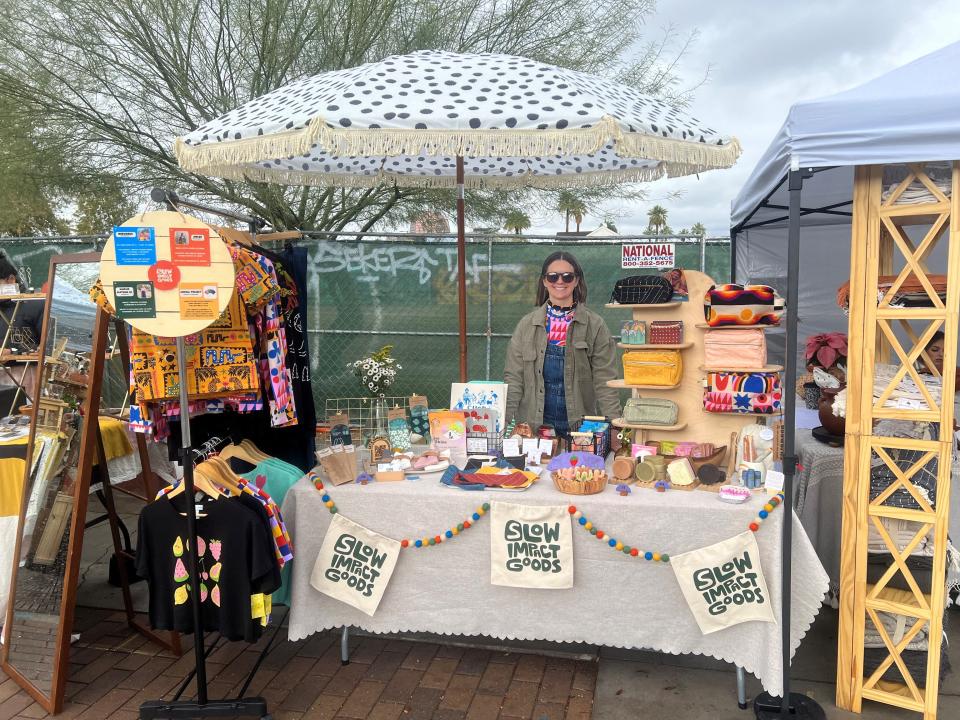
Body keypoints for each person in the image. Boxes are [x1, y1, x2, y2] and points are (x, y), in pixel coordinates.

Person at [504, 251, 620, 439]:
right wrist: (503, 421)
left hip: (580, 429)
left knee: (580, 469)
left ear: (576, 281)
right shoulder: (526, 325)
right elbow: (514, 380)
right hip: (534, 428)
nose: (560, 281)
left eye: (567, 276)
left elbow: (605, 383)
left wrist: (616, 428)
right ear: (544, 281)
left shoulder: (595, 326)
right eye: (553, 276)